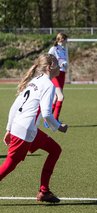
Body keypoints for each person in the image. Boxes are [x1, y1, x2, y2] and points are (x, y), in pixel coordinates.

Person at [1, 53, 68, 203]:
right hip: (25, 131)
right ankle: (44, 191)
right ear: (51, 66)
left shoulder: (34, 81)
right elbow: (47, 114)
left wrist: (9, 129)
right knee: (9, 165)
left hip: (26, 129)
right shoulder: (48, 85)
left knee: (55, 150)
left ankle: (44, 191)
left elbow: (14, 106)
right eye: (57, 63)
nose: (60, 66)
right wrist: (59, 127)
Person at [47, 32, 68, 122]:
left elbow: (63, 62)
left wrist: (64, 65)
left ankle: (48, 120)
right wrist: (53, 67)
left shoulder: (63, 49)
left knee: (56, 97)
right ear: (62, 39)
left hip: (62, 74)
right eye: (66, 39)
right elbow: (48, 59)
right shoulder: (53, 49)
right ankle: (54, 120)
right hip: (55, 74)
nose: (67, 41)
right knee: (61, 97)